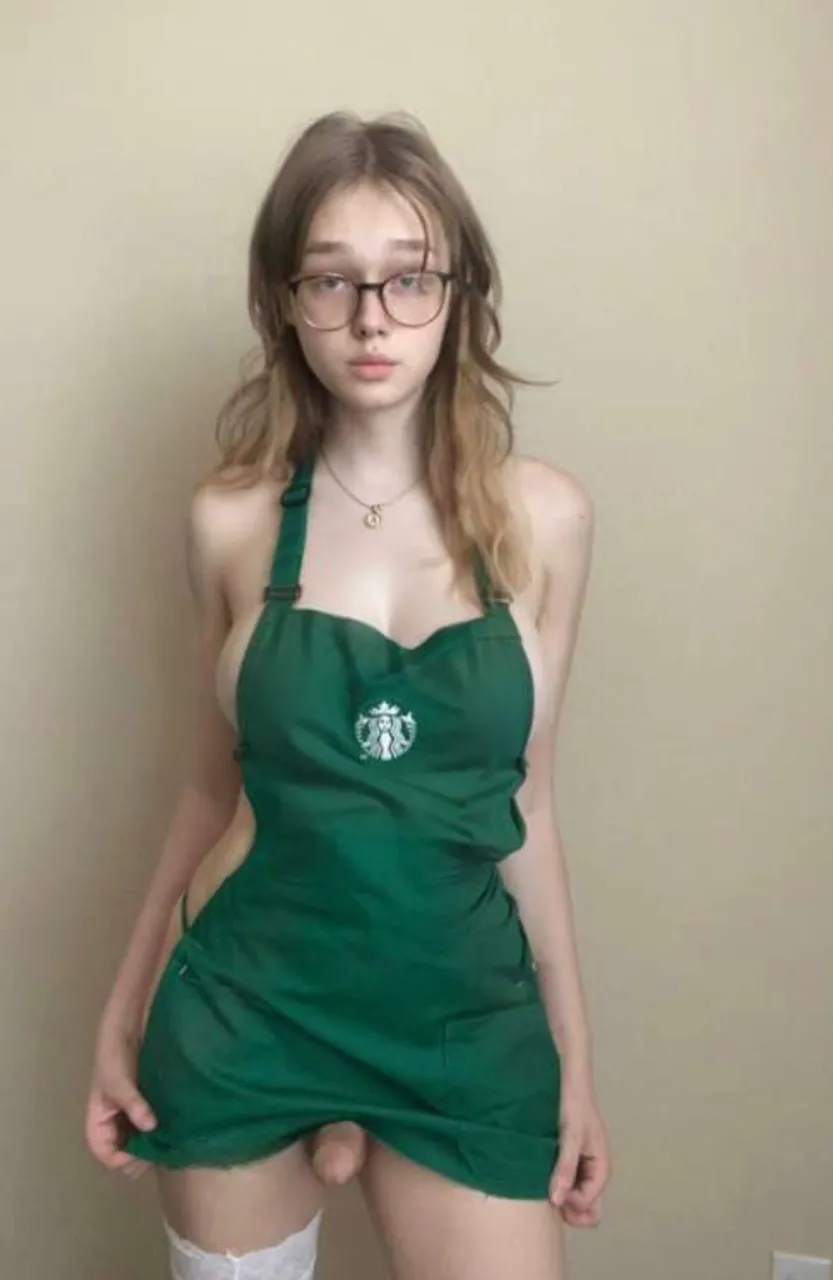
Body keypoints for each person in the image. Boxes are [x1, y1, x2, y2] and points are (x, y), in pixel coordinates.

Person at [85, 110, 611, 1279]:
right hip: (244, 1013)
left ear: (458, 295)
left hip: (461, 1026)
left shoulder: (546, 520)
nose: (372, 318)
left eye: (408, 277)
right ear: (285, 301)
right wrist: (123, 1008)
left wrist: (573, 1059)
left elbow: (527, 803)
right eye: (331, 280)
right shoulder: (228, 521)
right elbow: (205, 789)